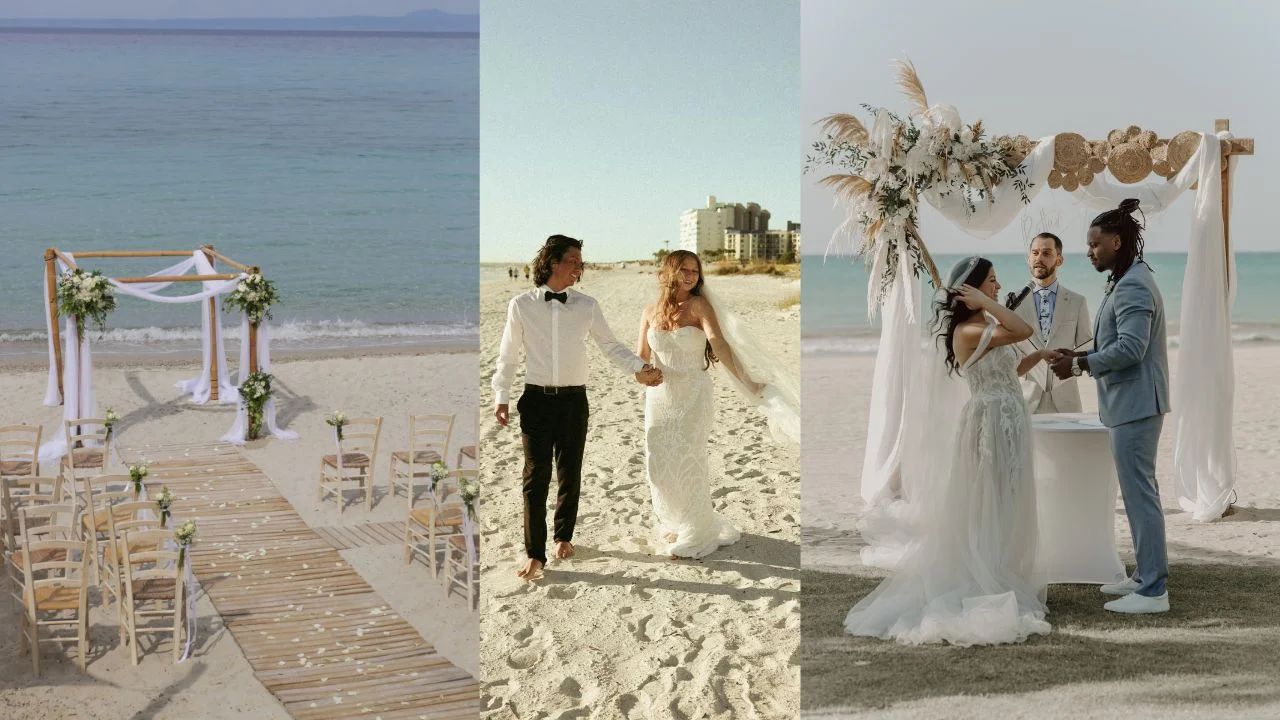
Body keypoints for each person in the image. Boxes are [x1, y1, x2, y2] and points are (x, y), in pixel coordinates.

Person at [845, 256, 1054, 646]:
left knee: (1009, 495)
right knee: (987, 497)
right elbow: (1024, 327)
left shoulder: (987, 326)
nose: (996, 286)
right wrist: (990, 304)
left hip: (1010, 416)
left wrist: (1039, 357)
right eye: (989, 282)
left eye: (995, 282)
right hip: (990, 420)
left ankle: (1005, 566)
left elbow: (1009, 369)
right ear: (971, 290)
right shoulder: (968, 329)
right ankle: (988, 573)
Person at [492, 235, 662, 580]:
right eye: (574, 261)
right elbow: (508, 356)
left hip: (574, 400)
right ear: (553, 261)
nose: (579, 268)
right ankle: (535, 553)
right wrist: (501, 396)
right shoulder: (521, 305)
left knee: (570, 472)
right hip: (536, 400)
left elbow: (610, 346)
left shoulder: (587, 305)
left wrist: (639, 367)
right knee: (534, 479)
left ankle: (563, 536)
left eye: (581, 263)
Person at [1049, 198, 1171, 614]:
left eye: (1095, 244)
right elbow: (1117, 339)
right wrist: (1081, 351)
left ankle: (1154, 591)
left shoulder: (1134, 283)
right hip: (1130, 404)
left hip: (1136, 405)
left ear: (1116, 242)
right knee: (1138, 494)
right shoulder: (1129, 278)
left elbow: (1133, 349)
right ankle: (1142, 576)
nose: (1089, 252)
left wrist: (1079, 365)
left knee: (1141, 497)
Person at [636, 250, 770, 559]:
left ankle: (696, 527)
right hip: (659, 396)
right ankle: (674, 520)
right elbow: (641, 357)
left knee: (688, 457)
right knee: (659, 460)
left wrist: (748, 381)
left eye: (696, 271)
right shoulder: (648, 311)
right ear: (669, 272)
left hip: (693, 394)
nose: (691, 275)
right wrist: (642, 375)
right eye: (684, 269)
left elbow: (719, 344)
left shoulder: (699, 305)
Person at [1013, 232, 1092, 413]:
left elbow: (1085, 348)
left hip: (1066, 401)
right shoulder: (1012, 302)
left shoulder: (1077, 302)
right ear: (1028, 258)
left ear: (1059, 260)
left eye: (1046, 253)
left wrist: (1071, 367)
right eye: (1035, 253)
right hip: (1025, 400)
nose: (1039, 258)